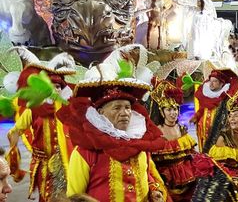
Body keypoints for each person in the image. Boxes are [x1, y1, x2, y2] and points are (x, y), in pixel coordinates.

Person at [58, 63, 168, 202]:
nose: (125, 113)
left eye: (127, 107)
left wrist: (153, 190)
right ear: (100, 113)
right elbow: (74, 197)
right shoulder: (85, 152)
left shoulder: (141, 143)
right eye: (117, 108)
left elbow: (147, 174)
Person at [7, 53, 76, 202]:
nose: (55, 90)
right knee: (46, 197)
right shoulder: (34, 110)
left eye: (58, 87)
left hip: (67, 163)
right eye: (51, 86)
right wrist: (14, 153)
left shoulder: (69, 110)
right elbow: (15, 131)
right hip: (43, 165)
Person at [149, 81, 197, 202]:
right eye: (169, 109)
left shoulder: (182, 129)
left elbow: (190, 154)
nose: (173, 113)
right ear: (161, 111)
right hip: (166, 180)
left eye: (175, 109)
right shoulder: (156, 132)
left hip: (187, 177)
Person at [190, 69, 238, 151]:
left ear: (221, 83)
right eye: (210, 81)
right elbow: (202, 109)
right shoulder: (205, 94)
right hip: (204, 130)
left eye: (215, 81)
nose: (211, 84)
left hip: (219, 131)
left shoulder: (226, 97)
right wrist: (196, 116)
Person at [209, 88, 238, 178]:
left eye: (236, 115)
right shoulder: (224, 139)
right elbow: (219, 173)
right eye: (230, 116)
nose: (231, 119)